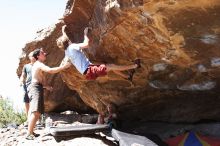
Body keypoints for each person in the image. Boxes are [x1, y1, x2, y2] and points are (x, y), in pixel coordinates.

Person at [56, 25, 141, 81]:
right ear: (68, 41)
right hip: (90, 70)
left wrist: (63, 31)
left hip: (87, 71)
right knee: (111, 66)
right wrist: (85, 34)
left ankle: (127, 77)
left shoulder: (66, 51)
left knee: (107, 65)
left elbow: (64, 41)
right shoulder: (72, 46)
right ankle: (135, 66)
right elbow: (86, 44)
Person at [26, 48, 71, 140]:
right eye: (42, 53)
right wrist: (64, 67)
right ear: (38, 56)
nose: (45, 54)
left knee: (36, 112)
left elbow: (39, 78)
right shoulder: (38, 64)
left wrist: (46, 86)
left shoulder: (37, 64)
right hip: (35, 88)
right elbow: (50, 70)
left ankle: (31, 132)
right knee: (36, 112)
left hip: (37, 87)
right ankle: (28, 134)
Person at [20, 51, 36, 124]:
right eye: (31, 56)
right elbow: (23, 75)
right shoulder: (26, 66)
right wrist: (21, 81)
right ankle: (28, 119)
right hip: (26, 85)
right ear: (29, 57)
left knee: (34, 102)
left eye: (33, 55)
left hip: (35, 85)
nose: (32, 57)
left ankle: (36, 119)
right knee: (26, 102)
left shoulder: (38, 65)